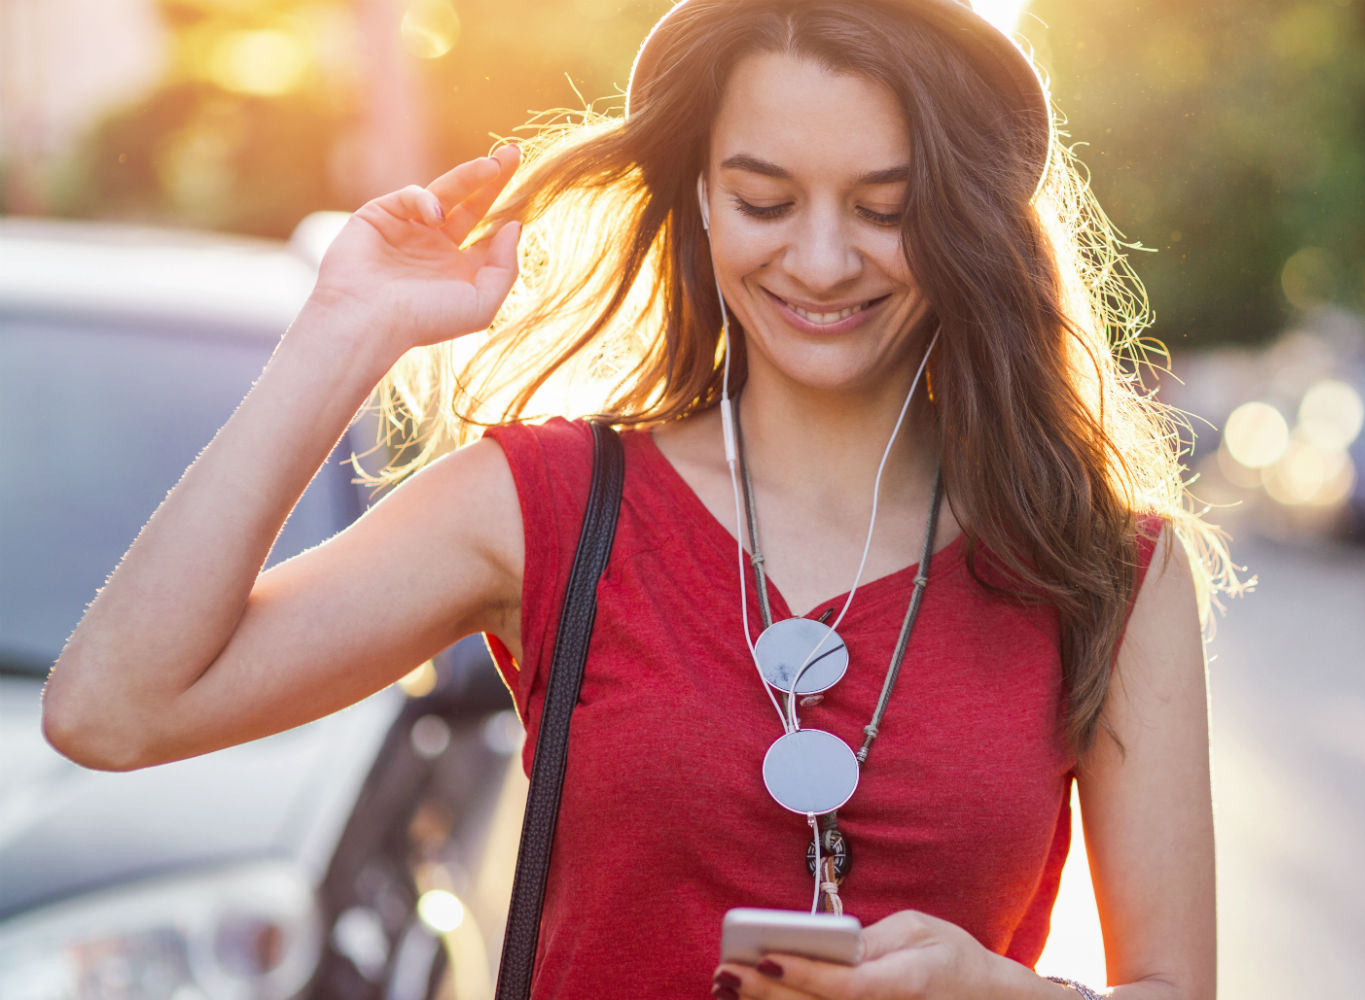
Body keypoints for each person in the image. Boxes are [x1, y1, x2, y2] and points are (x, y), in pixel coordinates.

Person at [42, 1, 1237, 996]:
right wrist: (345, 332)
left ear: (964, 213)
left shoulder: (1106, 568)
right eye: (766, 201)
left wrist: (997, 993)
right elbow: (113, 709)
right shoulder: (549, 504)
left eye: (886, 207)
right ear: (702, 198)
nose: (821, 262)